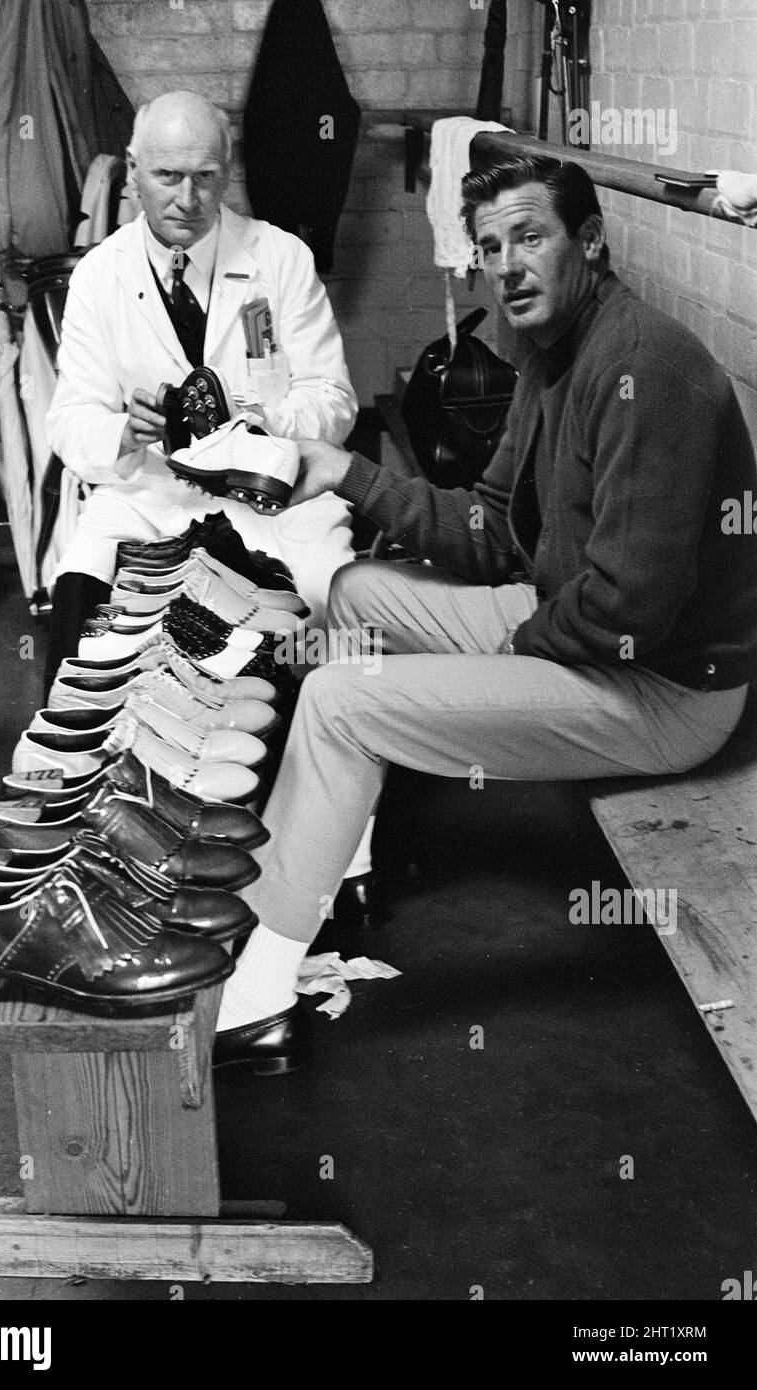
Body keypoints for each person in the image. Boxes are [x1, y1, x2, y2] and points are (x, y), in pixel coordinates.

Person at [212, 154, 757, 1074]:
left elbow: (633, 610)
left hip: (663, 691)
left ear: (590, 243)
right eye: (490, 245)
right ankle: (336, 869)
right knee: (353, 591)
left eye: (531, 238)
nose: (506, 266)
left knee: (345, 701)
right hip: (572, 623)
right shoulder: (550, 355)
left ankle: (252, 1001)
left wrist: (513, 642)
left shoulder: (646, 371)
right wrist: (341, 470)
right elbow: (490, 525)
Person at [44, 90, 357, 687]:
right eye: (167, 176)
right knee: (82, 619)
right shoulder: (99, 275)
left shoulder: (282, 258)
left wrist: (250, 428)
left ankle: (294, 758)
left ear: (228, 172)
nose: (187, 200)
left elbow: (333, 400)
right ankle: (94, 767)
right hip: (149, 496)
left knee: (322, 621)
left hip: (272, 500)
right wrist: (124, 430)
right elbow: (70, 422)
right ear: (132, 170)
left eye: (206, 178)